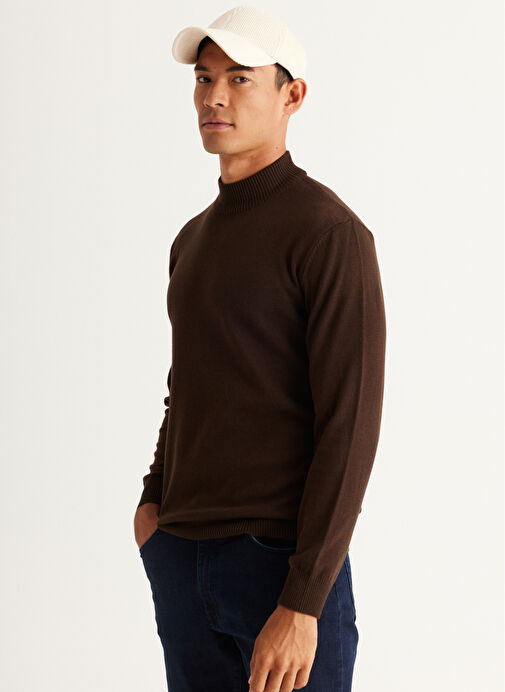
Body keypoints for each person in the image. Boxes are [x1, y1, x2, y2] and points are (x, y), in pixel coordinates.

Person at [133, 6, 386, 692]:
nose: (214, 96)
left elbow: (350, 425)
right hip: (181, 555)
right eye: (204, 77)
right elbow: (188, 386)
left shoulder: (329, 234)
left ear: (291, 95)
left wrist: (303, 600)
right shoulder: (191, 240)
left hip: (278, 563)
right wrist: (152, 506)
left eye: (239, 78)